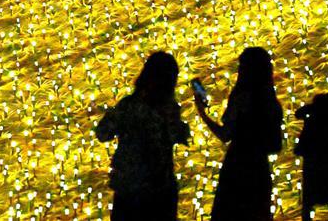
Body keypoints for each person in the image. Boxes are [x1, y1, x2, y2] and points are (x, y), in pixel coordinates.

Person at [95, 51, 190, 221]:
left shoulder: (129, 106)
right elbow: (178, 136)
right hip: (159, 190)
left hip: (132, 189)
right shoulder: (168, 108)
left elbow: (102, 133)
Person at [195, 47, 283, 221]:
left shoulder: (242, 97)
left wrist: (202, 112)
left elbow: (225, 134)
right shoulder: (271, 101)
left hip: (238, 167)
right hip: (260, 168)